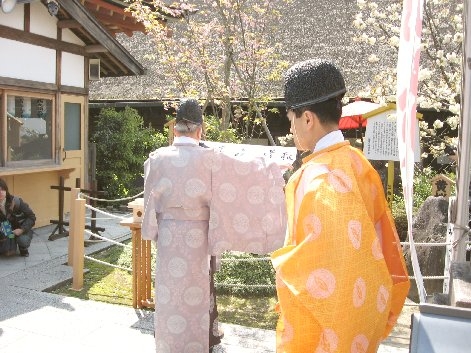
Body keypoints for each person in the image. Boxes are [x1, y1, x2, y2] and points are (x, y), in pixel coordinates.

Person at [271, 59, 410, 353]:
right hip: (363, 318)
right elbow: (386, 247)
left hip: (322, 330)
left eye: (291, 118)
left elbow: (304, 272)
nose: (291, 127)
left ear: (307, 118)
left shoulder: (312, 178)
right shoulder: (360, 164)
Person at [142, 98, 286, 352]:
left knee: (170, 291)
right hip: (197, 235)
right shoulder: (210, 158)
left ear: (175, 128)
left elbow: (150, 204)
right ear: (200, 129)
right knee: (196, 290)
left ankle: (168, 344)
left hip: (168, 236)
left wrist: (154, 230)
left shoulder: (157, 158)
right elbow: (245, 174)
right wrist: (272, 168)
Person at [0, 178, 36, 257]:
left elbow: (32, 217)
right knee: (6, 252)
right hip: (6, 229)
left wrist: (22, 229)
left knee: (23, 241)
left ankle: (23, 248)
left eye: (2, 189)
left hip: (21, 228)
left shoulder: (16, 201)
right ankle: (7, 244)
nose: (0, 193)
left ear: (6, 190)